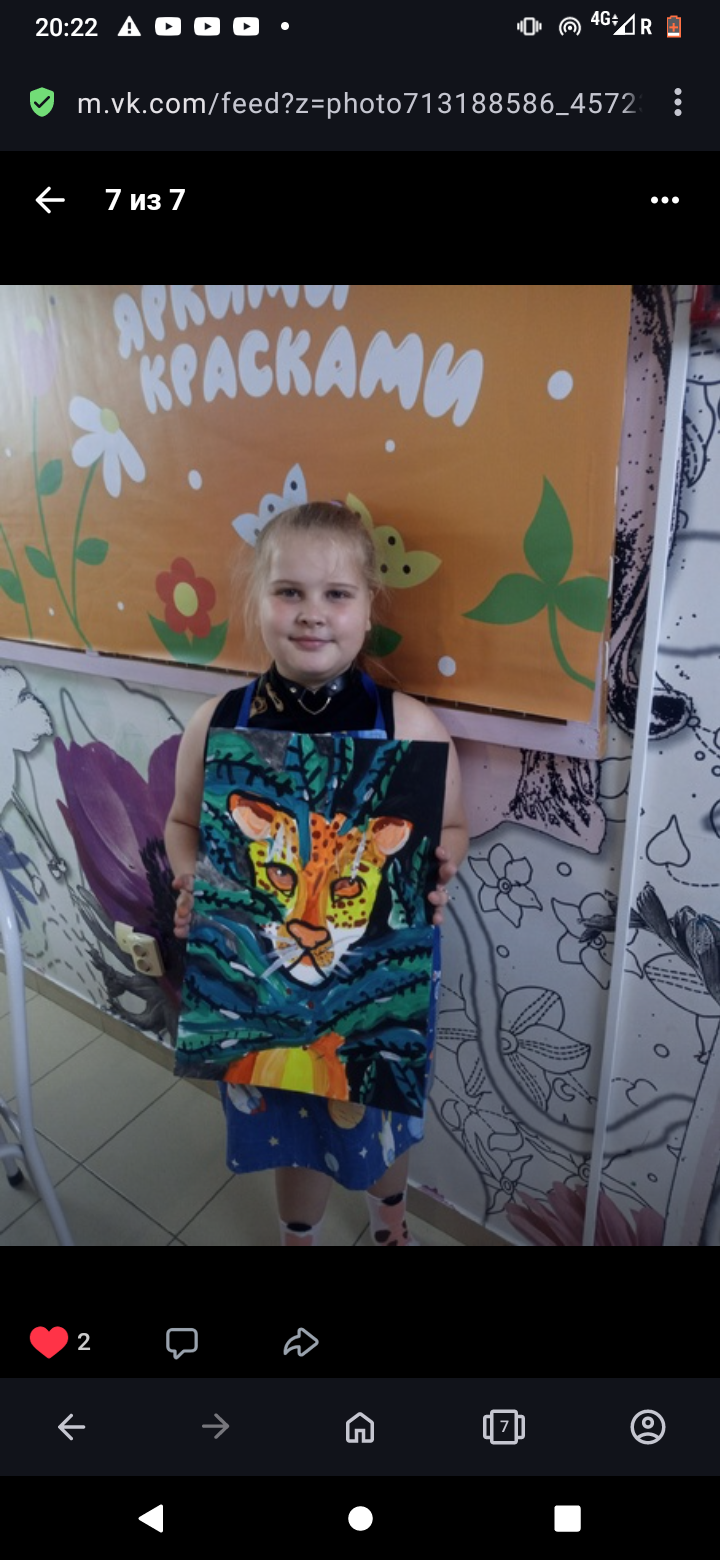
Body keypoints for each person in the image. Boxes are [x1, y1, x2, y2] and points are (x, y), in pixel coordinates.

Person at [164, 501, 468, 1245]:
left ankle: (390, 1225)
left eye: (336, 593)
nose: (312, 613)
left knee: (377, 1120)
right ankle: (297, 1233)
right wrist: (193, 882)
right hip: (261, 985)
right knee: (288, 1128)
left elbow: (452, 827)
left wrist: (443, 866)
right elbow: (182, 825)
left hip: (372, 986)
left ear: (368, 608)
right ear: (258, 602)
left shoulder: (410, 726)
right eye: (288, 591)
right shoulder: (218, 722)